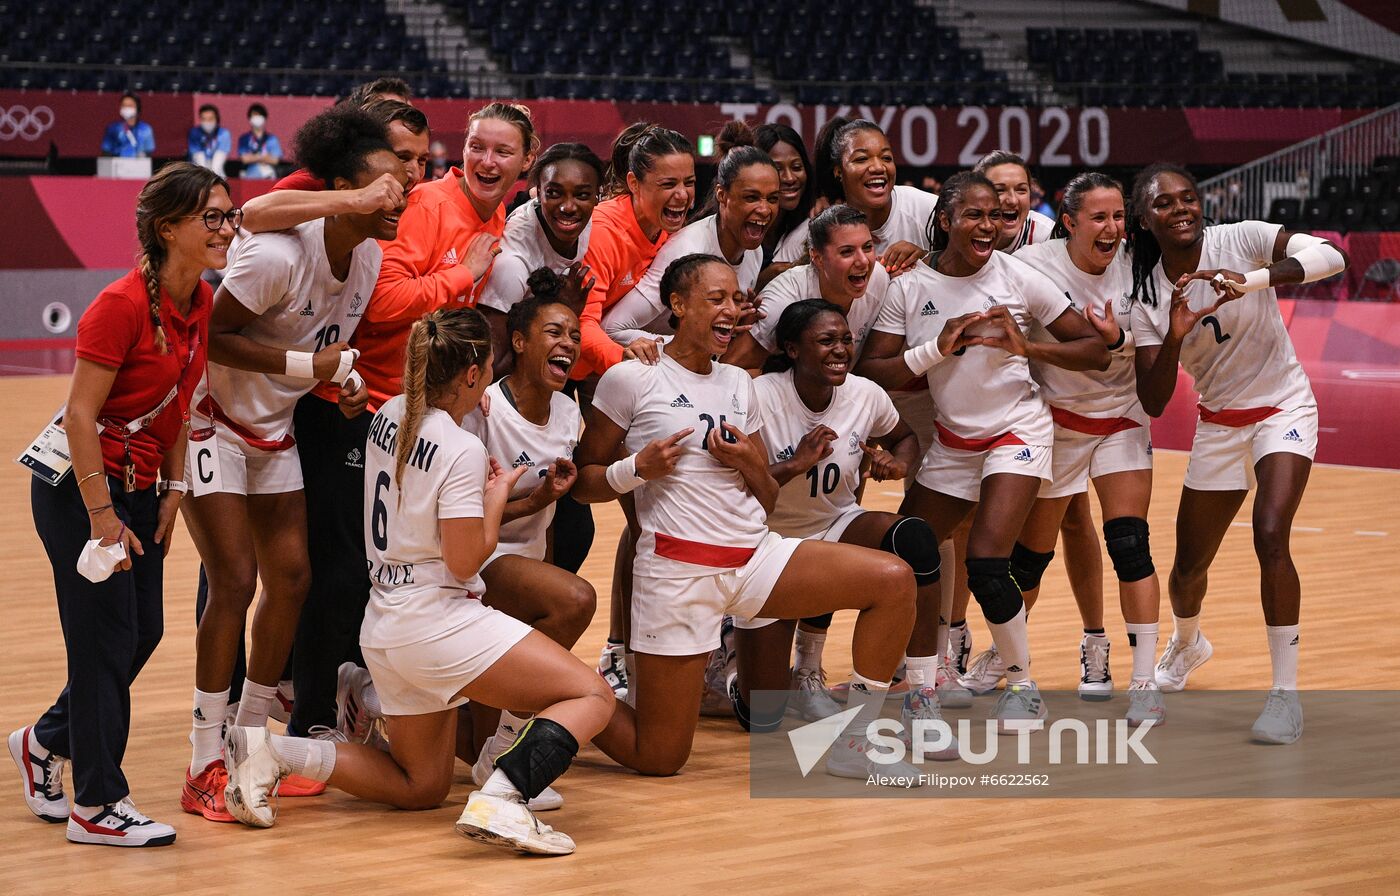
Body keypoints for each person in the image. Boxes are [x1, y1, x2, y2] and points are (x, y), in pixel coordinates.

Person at [219, 308, 613, 856]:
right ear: (472, 375)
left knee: (421, 785)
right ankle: (506, 792)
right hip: (438, 622)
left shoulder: (391, 415)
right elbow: (464, 562)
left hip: (387, 623)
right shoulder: (461, 447)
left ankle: (272, 752)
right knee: (592, 694)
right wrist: (496, 501)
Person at [574, 254, 919, 779]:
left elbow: (766, 496)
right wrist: (636, 470)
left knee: (893, 581)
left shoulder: (738, 382)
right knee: (660, 758)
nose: (732, 310)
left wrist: (750, 461)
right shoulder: (631, 378)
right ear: (677, 305)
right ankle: (560, 696)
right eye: (717, 299)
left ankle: (855, 742)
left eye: (736, 299)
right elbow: (583, 482)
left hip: (755, 557)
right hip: (677, 572)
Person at [180, 107, 407, 821]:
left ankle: (249, 741)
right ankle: (202, 758)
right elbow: (213, 340)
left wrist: (337, 386)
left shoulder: (367, 258)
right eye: (387, 185)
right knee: (235, 580)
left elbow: (320, 354)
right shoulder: (279, 251)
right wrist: (306, 363)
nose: (400, 198)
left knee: (294, 578)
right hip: (210, 422)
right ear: (344, 189)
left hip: (273, 427)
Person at [9, 163, 235, 846]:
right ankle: (97, 805)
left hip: (140, 495)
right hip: (82, 494)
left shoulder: (200, 302)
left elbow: (177, 407)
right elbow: (82, 418)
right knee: (103, 641)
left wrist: (173, 492)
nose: (228, 229)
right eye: (213, 218)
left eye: (231, 215)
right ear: (169, 229)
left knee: (139, 635)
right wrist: (103, 519)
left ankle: (43, 741)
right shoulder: (120, 304)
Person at [856, 172, 1109, 730]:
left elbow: (1095, 350)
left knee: (988, 561)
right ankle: (929, 675)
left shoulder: (1018, 277)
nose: (990, 225)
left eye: (996, 215)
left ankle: (1022, 683)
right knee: (907, 550)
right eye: (975, 215)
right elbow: (871, 369)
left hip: (1017, 430)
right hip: (952, 442)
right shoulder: (908, 286)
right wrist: (935, 347)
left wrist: (1027, 345)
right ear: (945, 221)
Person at [1128, 163, 1348, 744]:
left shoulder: (1241, 238)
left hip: (1283, 408)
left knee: (1270, 532)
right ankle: (1189, 642)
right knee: (1186, 571)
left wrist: (1251, 280)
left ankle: (1285, 697)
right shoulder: (1145, 291)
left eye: (1189, 198)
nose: (1181, 209)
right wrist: (1175, 333)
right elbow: (1152, 401)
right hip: (1219, 424)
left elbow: (1332, 256)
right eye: (1164, 204)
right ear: (1144, 219)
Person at [733, 300, 934, 737]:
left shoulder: (864, 394)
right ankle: (730, 658)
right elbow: (738, 484)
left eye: (846, 339)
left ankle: (921, 696)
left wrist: (895, 463)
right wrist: (796, 463)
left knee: (914, 539)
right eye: (826, 341)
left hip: (836, 524)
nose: (841, 349)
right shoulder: (759, 395)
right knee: (762, 719)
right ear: (791, 349)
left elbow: (904, 437)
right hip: (766, 543)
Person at [1013, 172, 1165, 723]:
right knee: (1028, 560)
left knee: (1130, 543)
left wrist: (1116, 342)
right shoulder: (1034, 267)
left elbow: (1144, 348)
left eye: (1119, 216)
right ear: (1069, 223)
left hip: (1122, 418)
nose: (1112, 228)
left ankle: (1144, 680)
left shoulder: (1139, 265)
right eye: (1099, 218)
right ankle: (1016, 673)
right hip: (1057, 424)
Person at [457, 281, 594, 810]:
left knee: (461, 745)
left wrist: (548, 560)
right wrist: (536, 503)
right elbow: (466, 515)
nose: (568, 343)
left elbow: (554, 510)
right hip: (478, 559)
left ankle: (493, 744)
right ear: (517, 341)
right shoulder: (486, 406)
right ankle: (508, 755)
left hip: (525, 566)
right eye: (554, 332)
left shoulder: (566, 412)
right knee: (576, 599)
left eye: (575, 335)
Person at [575, 123, 696, 697]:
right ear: (631, 184)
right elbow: (582, 326)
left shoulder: (668, 234)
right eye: (666, 184)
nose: (680, 196)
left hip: (617, 382)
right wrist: (623, 350)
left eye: (689, 183)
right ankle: (619, 653)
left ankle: (625, 651)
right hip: (572, 383)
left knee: (645, 519)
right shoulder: (604, 228)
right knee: (623, 520)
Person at [601, 124, 777, 359]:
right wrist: (686, 342)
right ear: (721, 196)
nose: (764, 209)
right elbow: (612, 329)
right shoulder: (684, 250)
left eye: (773, 198)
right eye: (751, 197)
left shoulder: (754, 252)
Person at [478, 142, 604, 376]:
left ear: (598, 197)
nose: (568, 207)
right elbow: (490, 369)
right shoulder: (511, 265)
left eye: (582, 195)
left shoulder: (588, 223)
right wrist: (563, 308)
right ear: (538, 192)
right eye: (554, 193)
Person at [724, 204, 891, 372]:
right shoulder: (782, 300)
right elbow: (732, 369)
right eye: (847, 252)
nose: (863, 261)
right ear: (817, 258)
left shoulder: (878, 277)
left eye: (867, 247)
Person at [775, 118, 935, 277]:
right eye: (861, 159)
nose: (878, 167)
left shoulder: (926, 208)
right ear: (838, 171)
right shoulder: (814, 230)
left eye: (886, 158)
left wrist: (926, 259)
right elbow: (768, 284)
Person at [753, 123, 815, 282]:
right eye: (777, 169)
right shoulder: (735, 229)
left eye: (796, 167)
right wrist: (762, 280)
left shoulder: (811, 218)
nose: (790, 178)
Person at [975, 151, 1055, 253]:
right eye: (1000, 190)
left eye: (1021, 190)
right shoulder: (961, 234)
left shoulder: (1048, 237)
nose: (1012, 200)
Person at [101, 93, 155, 158]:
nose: (127, 108)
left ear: (137, 107)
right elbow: (106, 151)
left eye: (130, 105)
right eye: (124, 105)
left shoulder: (145, 129)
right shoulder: (113, 128)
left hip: (139, 165)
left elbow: (149, 151)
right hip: (117, 164)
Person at [237, 104, 282, 180]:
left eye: (259, 115)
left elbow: (275, 160)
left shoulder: (272, 139)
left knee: (267, 172)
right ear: (250, 119)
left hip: (269, 174)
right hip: (249, 174)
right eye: (254, 115)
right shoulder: (244, 138)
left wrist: (253, 157)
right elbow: (245, 159)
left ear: (264, 118)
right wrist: (264, 157)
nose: (257, 118)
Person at [189, 104, 232, 178]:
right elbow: (198, 156)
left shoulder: (224, 133)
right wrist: (204, 177)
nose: (207, 122)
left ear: (217, 119)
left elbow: (220, 156)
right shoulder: (194, 132)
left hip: (216, 168)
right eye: (203, 119)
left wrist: (213, 177)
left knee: (221, 177)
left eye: (210, 119)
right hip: (198, 168)